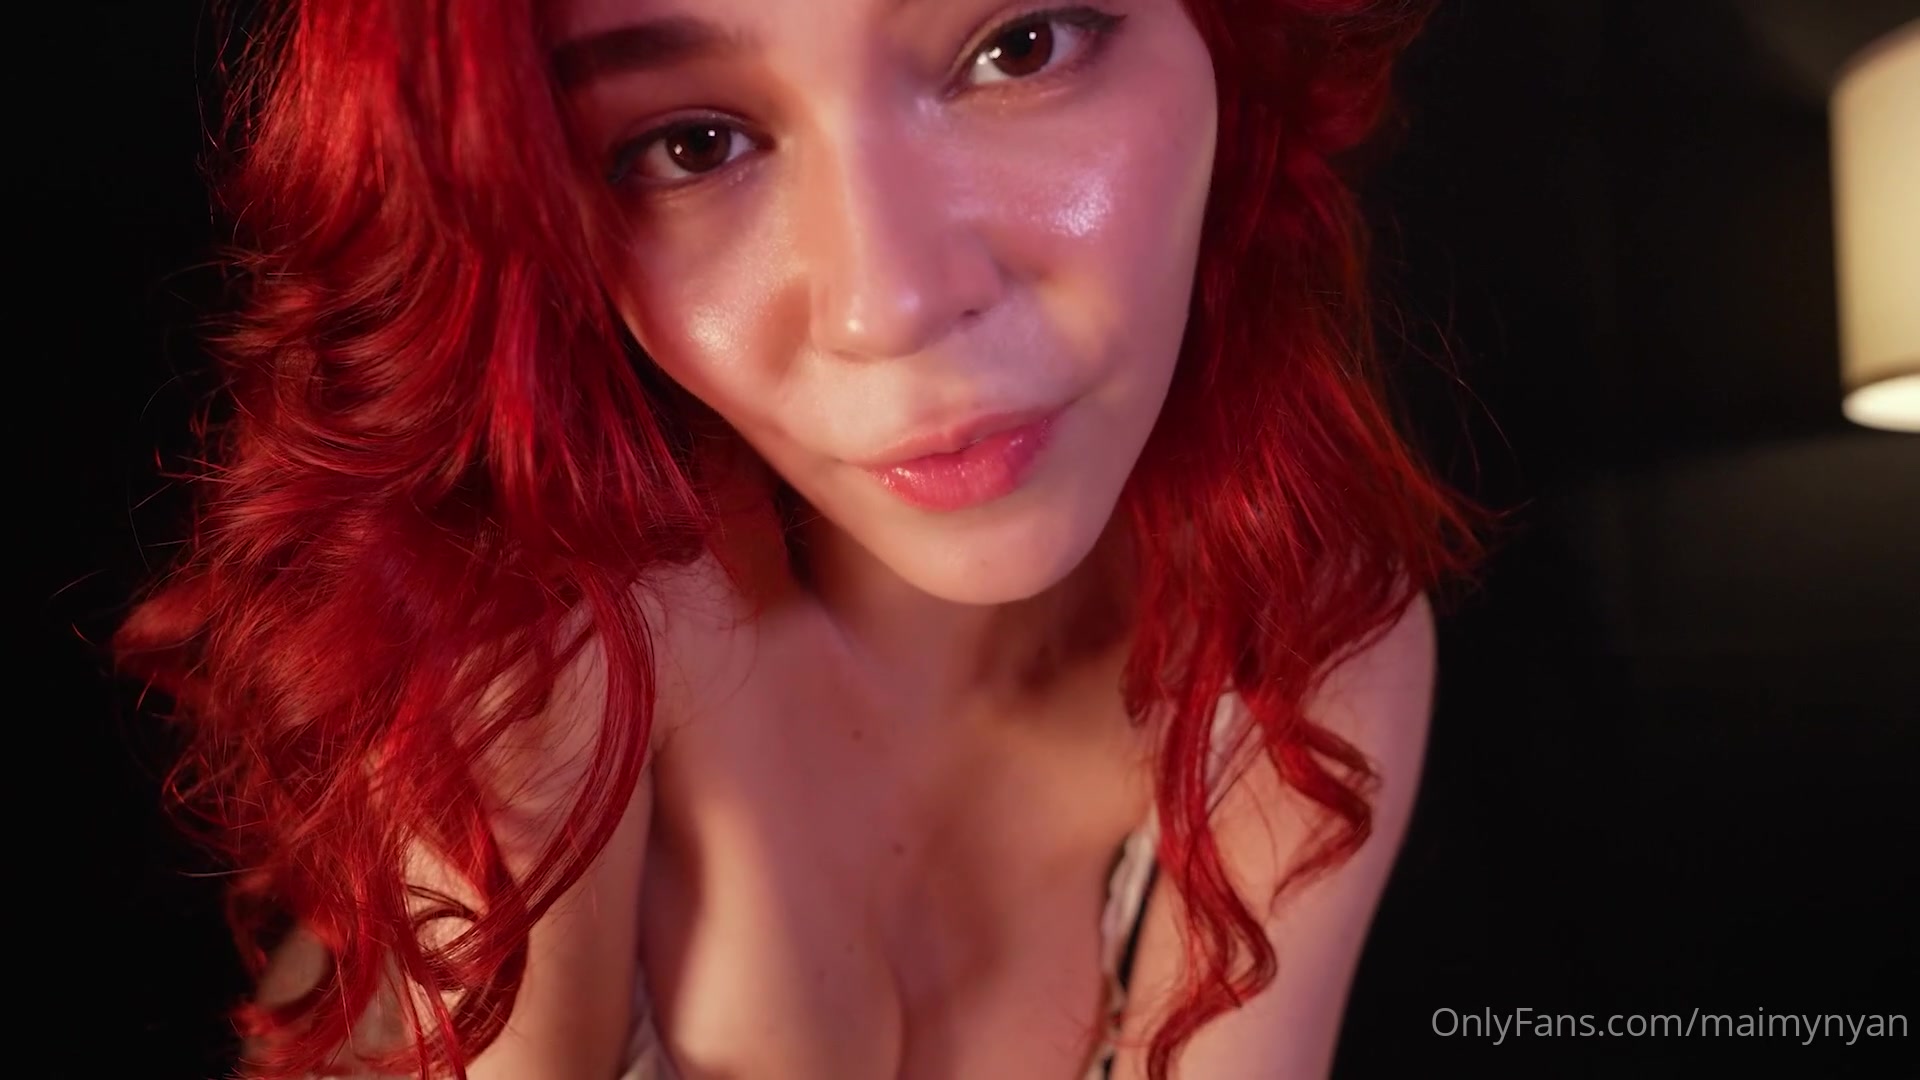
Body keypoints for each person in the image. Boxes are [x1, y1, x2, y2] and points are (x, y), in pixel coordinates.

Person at [117, 0, 1490, 1076]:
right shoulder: (544, 669)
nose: (888, 303)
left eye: (1019, 45)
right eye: (693, 144)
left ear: (1228, 38)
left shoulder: (1298, 662)